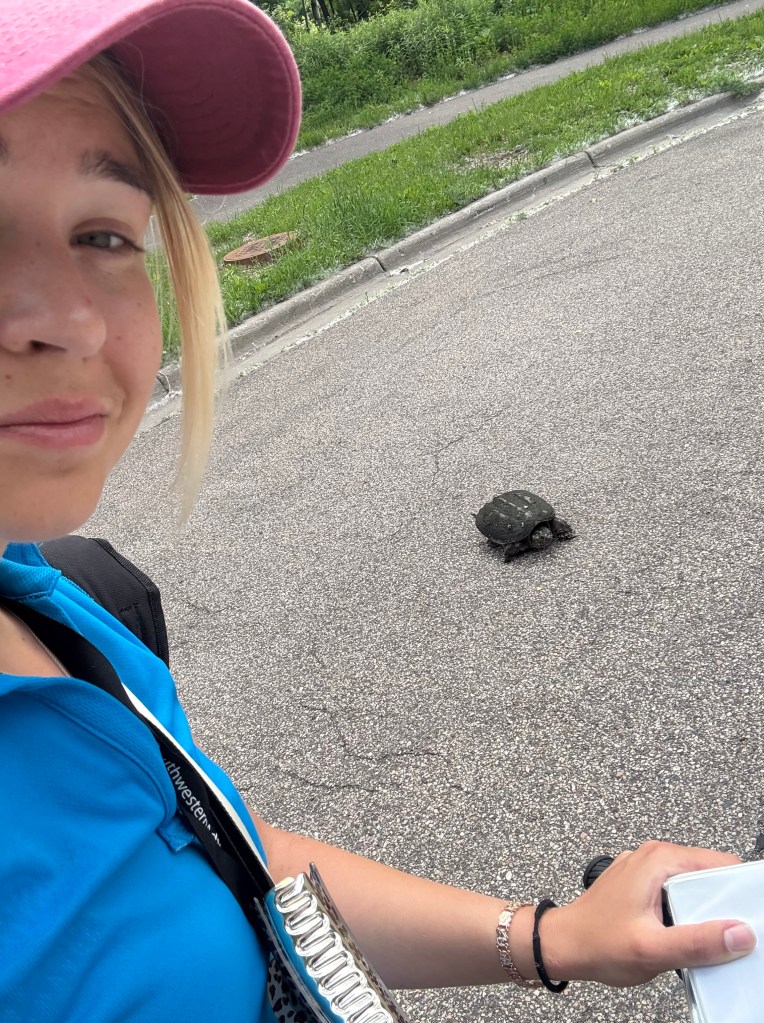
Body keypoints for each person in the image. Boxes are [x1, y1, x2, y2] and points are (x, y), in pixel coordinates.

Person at [0, 1, 756, 1020]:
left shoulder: (46, 600)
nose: (74, 320)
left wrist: (547, 935)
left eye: (103, 233)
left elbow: (224, 855)